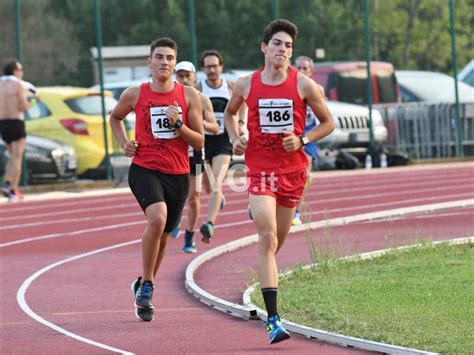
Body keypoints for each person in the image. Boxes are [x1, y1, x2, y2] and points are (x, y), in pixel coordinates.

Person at [224, 19, 335, 344]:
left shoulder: (304, 85)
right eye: (277, 44)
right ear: (264, 48)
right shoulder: (246, 84)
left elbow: (328, 123)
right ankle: (273, 319)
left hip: (293, 173)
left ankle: (263, 219)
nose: (282, 50)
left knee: (275, 244)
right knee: (267, 238)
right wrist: (235, 137)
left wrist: (302, 139)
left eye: (287, 46)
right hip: (260, 169)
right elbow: (231, 115)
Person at [109, 38, 204, 322]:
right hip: (145, 169)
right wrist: (124, 143)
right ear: (149, 62)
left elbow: (199, 140)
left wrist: (178, 124)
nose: (164, 62)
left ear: (176, 63)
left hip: (177, 174)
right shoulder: (135, 94)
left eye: (170, 57)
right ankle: (148, 286)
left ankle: (142, 283)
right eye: (159, 57)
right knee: (158, 218)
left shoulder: (189, 96)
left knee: (163, 238)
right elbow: (115, 118)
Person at [195, 50, 242, 243]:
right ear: (203, 69)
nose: (212, 70)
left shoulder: (230, 88)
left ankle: (210, 224)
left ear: (221, 67)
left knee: (216, 183)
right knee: (206, 185)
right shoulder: (198, 89)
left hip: (223, 140)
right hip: (203, 141)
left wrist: (240, 123)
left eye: (215, 66)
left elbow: (243, 104)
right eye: (208, 66)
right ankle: (218, 199)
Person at [174, 60, 219, 253]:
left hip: (195, 153)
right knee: (174, 196)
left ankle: (189, 235)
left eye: (187, 76)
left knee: (194, 196)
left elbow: (215, 127)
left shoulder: (202, 99)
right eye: (180, 76)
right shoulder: (167, 97)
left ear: (194, 77)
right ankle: (173, 220)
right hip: (172, 152)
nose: (184, 79)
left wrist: (195, 120)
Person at [292, 55, 325, 225]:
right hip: (291, 130)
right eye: (299, 67)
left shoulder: (317, 89)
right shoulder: (288, 87)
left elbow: (323, 115)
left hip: (309, 132)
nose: (302, 71)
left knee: (303, 173)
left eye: (305, 68)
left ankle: (296, 211)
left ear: (311, 71)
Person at [0, 60, 37, 202]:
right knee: (17, 157)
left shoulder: (1, 85)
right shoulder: (18, 85)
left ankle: (6, 183)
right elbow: (23, 106)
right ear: (15, 71)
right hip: (16, 121)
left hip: (3, 123)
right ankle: (12, 190)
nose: (22, 72)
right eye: (20, 70)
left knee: (11, 156)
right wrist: (34, 101)